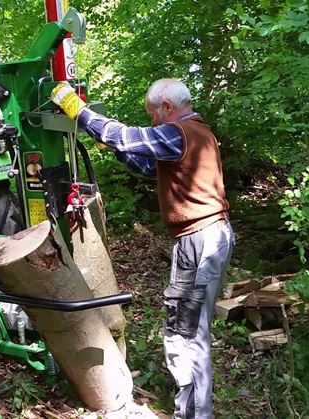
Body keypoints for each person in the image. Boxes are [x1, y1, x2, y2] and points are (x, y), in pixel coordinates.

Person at [51, 79, 235, 419]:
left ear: (167, 106)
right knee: (190, 326)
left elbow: (121, 134)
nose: (152, 121)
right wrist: (117, 150)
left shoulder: (179, 132)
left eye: (153, 114)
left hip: (199, 239)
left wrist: (78, 111)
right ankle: (194, 407)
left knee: (186, 332)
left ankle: (194, 414)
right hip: (208, 236)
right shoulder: (198, 132)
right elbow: (151, 167)